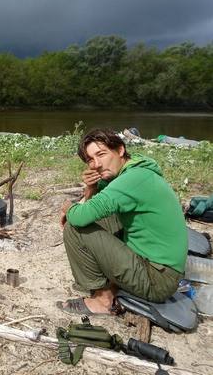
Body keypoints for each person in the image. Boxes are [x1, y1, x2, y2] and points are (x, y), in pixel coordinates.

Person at [58, 128, 187, 315]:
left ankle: (103, 300)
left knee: (75, 228)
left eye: (101, 154)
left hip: (158, 280)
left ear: (120, 150)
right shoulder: (137, 171)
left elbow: (80, 216)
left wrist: (68, 208)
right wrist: (90, 188)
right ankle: (111, 286)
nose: (96, 164)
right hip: (161, 271)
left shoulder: (132, 179)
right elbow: (94, 205)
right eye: (90, 160)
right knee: (103, 217)